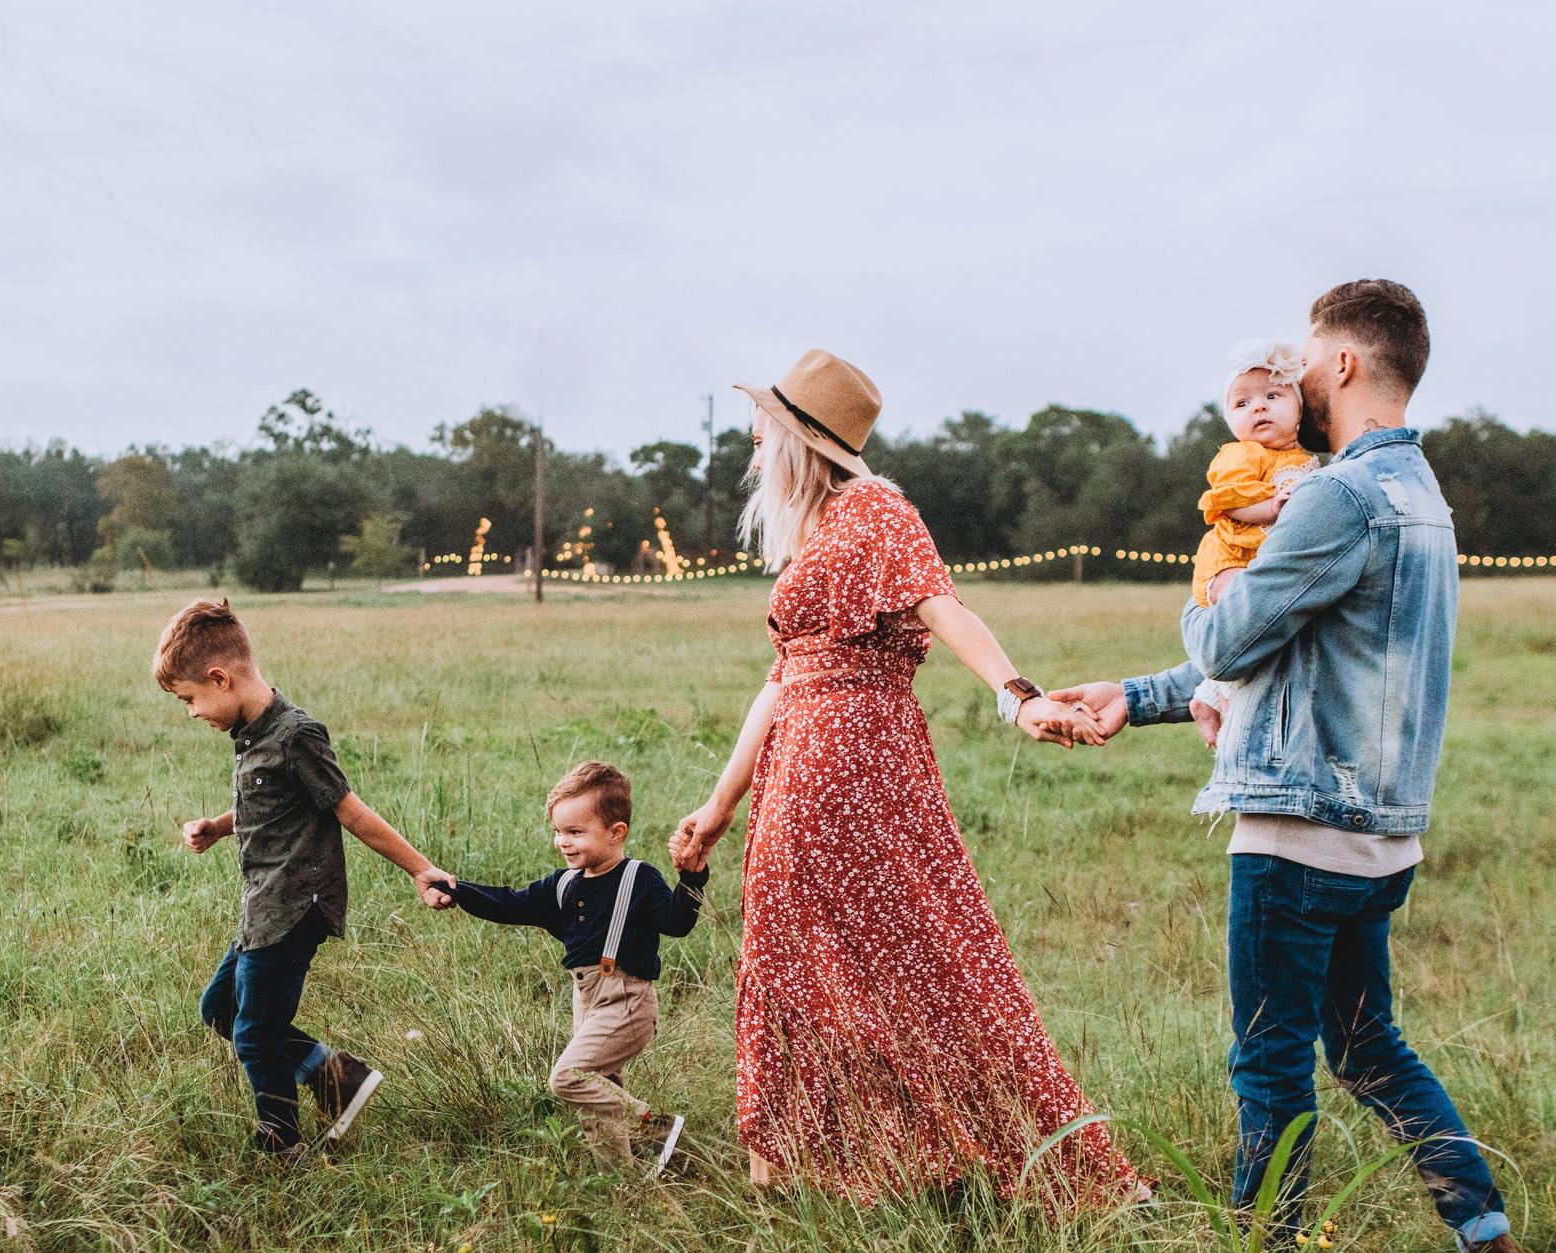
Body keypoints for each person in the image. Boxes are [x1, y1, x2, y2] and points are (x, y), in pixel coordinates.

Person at [1051, 282, 1552, 1253]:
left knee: (1268, 1062)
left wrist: (1213, 596)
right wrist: (1139, 695)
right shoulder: (1419, 495)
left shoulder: (1334, 494)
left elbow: (1235, 636)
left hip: (1295, 828)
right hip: (1379, 835)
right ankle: (1485, 1241)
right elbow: (1297, 649)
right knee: (1367, 1047)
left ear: (1343, 366)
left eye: (1306, 358)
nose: (1292, 378)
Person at [670, 348, 1143, 1207]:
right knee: (794, 959)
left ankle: (968, 1155)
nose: (749, 444)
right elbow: (781, 680)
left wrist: (1018, 696)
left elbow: (944, 605)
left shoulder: (876, 510)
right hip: (801, 764)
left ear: (799, 440)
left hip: (853, 762)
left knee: (920, 957)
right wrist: (718, 804)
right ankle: (808, 1166)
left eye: (761, 429)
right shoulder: (816, 529)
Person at [156, 599, 456, 1160]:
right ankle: (335, 1077)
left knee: (255, 1032)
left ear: (220, 678)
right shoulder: (251, 734)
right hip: (262, 905)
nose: (192, 712)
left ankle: (281, 1141)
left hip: (295, 906)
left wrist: (422, 869)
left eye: (190, 699)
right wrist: (221, 827)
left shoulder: (296, 734)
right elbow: (269, 805)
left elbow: (348, 810)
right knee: (219, 1010)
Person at [442, 761, 704, 1174]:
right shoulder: (564, 884)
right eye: (558, 831)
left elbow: (678, 923)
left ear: (616, 832)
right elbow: (510, 903)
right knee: (598, 1093)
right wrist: (456, 891)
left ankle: (655, 1128)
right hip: (585, 1000)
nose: (563, 842)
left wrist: (692, 878)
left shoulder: (639, 878)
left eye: (575, 832)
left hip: (627, 1001)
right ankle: (620, 1180)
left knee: (569, 1078)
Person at [1187, 339, 1319, 741]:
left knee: (1268, 628)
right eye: (1241, 403)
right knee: (1245, 616)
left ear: (1299, 409)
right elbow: (1229, 503)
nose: (1257, 407)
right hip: (1229, 559)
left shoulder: (1304, 461)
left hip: (1261, 563)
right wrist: (1272, 508)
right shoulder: (1242, 455)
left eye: (1272, 396)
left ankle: (1210, 695)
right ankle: (1216, 695)